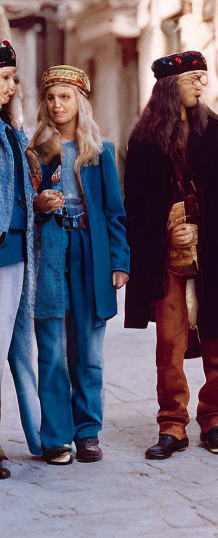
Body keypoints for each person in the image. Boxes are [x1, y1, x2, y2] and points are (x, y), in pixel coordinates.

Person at [124, 51, 218, 460]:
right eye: (193, 78)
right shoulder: (144, 141)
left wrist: (201, 223)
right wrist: (167, 227)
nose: (202, 84)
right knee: (170, 341)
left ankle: (214, 418)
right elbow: (135, 206)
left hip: (214, 255)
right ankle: (172, 423)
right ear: (169, 86)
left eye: (204, 77)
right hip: (168, 260)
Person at [27, 65, 129, 465]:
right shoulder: (34, 153)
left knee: (89, 349)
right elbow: (22, 205)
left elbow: (115, 212)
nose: (57, 104)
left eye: (65, 96)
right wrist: (38, 205)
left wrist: (119, 262)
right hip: (51, 248)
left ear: (80, 102)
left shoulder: (100, 152)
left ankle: (87, 431)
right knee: (51, 347)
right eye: (51, 97)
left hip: (90, 250)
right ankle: (56, 436)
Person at [0, 40, 41, 478]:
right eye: (6, 79)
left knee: (18, 352)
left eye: (13, 79)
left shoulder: (11, 130)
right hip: (3, 252)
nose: (12, 87)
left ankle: (40, 438)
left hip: (16, 252)